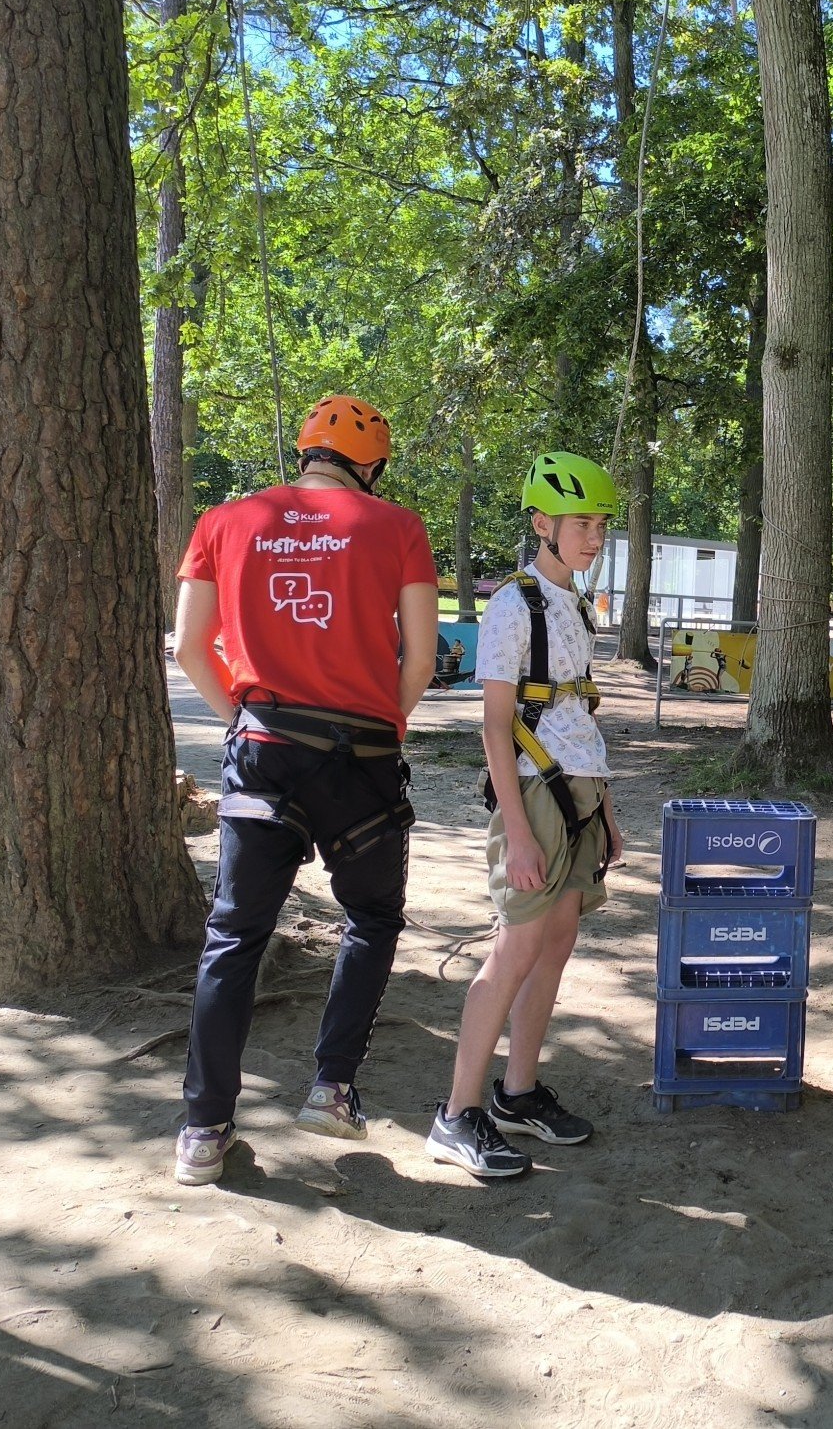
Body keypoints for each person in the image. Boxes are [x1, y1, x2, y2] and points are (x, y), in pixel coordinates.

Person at [172, 395, 439, 1186]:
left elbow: (189, 647)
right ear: (371, 465)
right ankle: (332, 1087)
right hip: (361, 758)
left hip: (263, 749)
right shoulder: (398, 526)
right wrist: (384, 727)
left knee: (234, 935)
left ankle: (202, 1129)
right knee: (372, 917)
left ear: (306, 453)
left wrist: (241, 721)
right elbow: (420, 659)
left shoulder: (224, 521)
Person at [426, 452, 626, 1179]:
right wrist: (516, 832)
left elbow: (579, 714)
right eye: (581, 523)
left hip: (580, 793)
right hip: (535, 797)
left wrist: (606, 811)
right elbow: (495, 725)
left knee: (556, 943)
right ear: (543, 524)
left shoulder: (576, 604)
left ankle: (517, 1093)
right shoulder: (517, 605)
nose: (594, 536)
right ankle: (456, 1115)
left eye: (601, 524)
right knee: (515, 948)